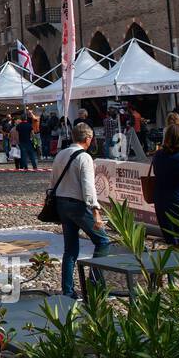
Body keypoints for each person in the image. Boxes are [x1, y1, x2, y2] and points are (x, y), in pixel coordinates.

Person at [51, 123, 111, 298]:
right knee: (103, 241)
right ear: (88, 139)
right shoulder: (84, 157)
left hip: (62, 203)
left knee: (70, 249)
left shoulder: (60, 154)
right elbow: (88, 186)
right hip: (78, 205)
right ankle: (95, 283)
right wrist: (96, 210)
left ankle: (68, 290)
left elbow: (52, 182)